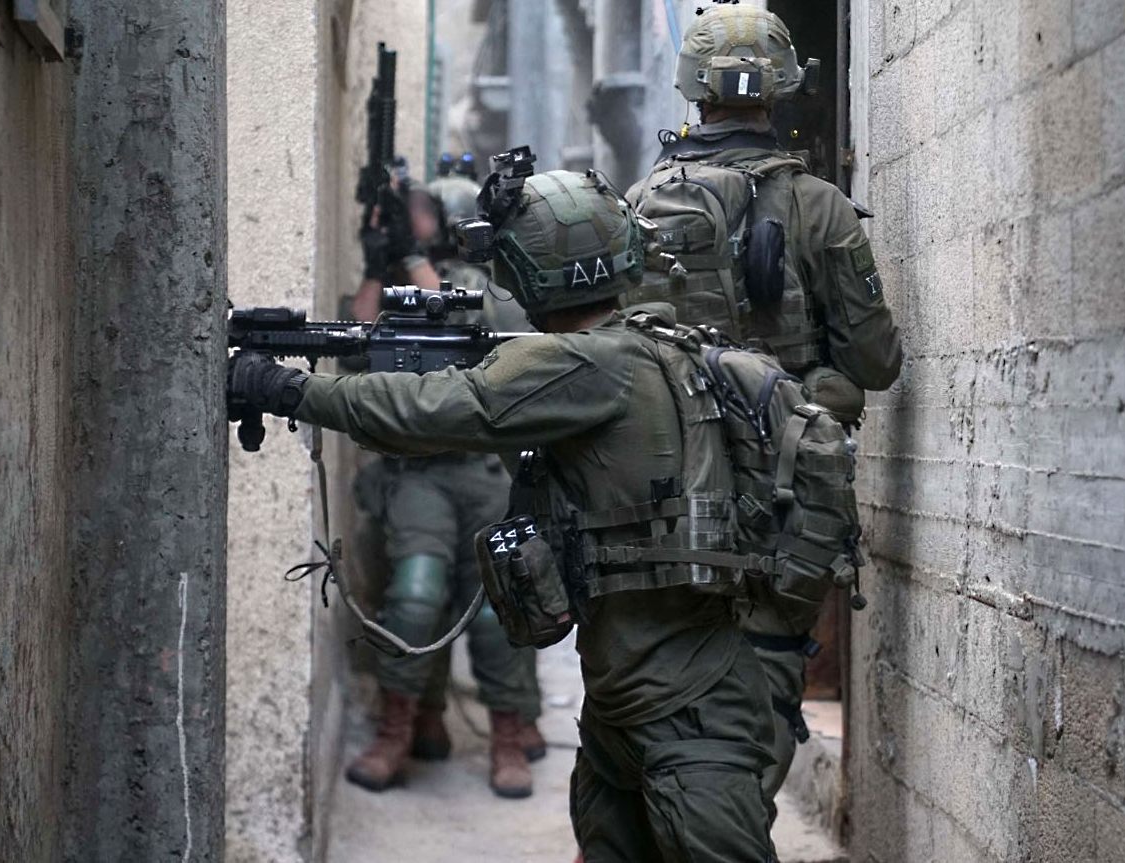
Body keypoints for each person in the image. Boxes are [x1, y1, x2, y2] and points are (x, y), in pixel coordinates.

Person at [229, 169, 779, 862]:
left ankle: (503, 728)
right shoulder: (641, 345)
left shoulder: (587, 364)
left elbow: (436, 410)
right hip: (632, 701)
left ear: (532, 269)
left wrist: (288, 389)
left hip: (686, 714)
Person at [626, 2, 903, 820]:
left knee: (660, 674)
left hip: (665, 489)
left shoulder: (640, 203)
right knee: (768, 674)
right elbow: (875, 362)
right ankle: (730, 821)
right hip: (786, 497)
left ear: (692, 88)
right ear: (782, 87)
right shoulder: (819, 205)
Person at [343, 176, 544, 799]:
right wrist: (378, 264)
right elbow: (354, 344)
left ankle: (508, 734)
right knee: (415, 593)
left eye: (422, 212)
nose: (414, 221)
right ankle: (397, 729)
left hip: (480, 470)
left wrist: (412, 258)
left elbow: (462, 319)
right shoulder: (400, 281)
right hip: (416, 472)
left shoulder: (483, 284)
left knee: (495, 606)